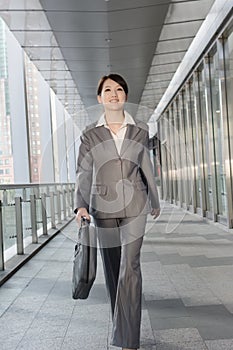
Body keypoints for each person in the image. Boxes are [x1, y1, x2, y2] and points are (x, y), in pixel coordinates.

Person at [74, 73, 160, 350]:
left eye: (119, 89)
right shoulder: (90, 133)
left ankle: (128, 340)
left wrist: (155, 199)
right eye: (107, 90)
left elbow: (146, 165)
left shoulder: (140, 129)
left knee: (130, 266)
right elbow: (84, 171)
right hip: (103, 207)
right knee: (112, 271)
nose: (114, 94)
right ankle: (119, 324)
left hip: (136, 204)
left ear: (125, 95)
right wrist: (81, 204)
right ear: (99, 98)